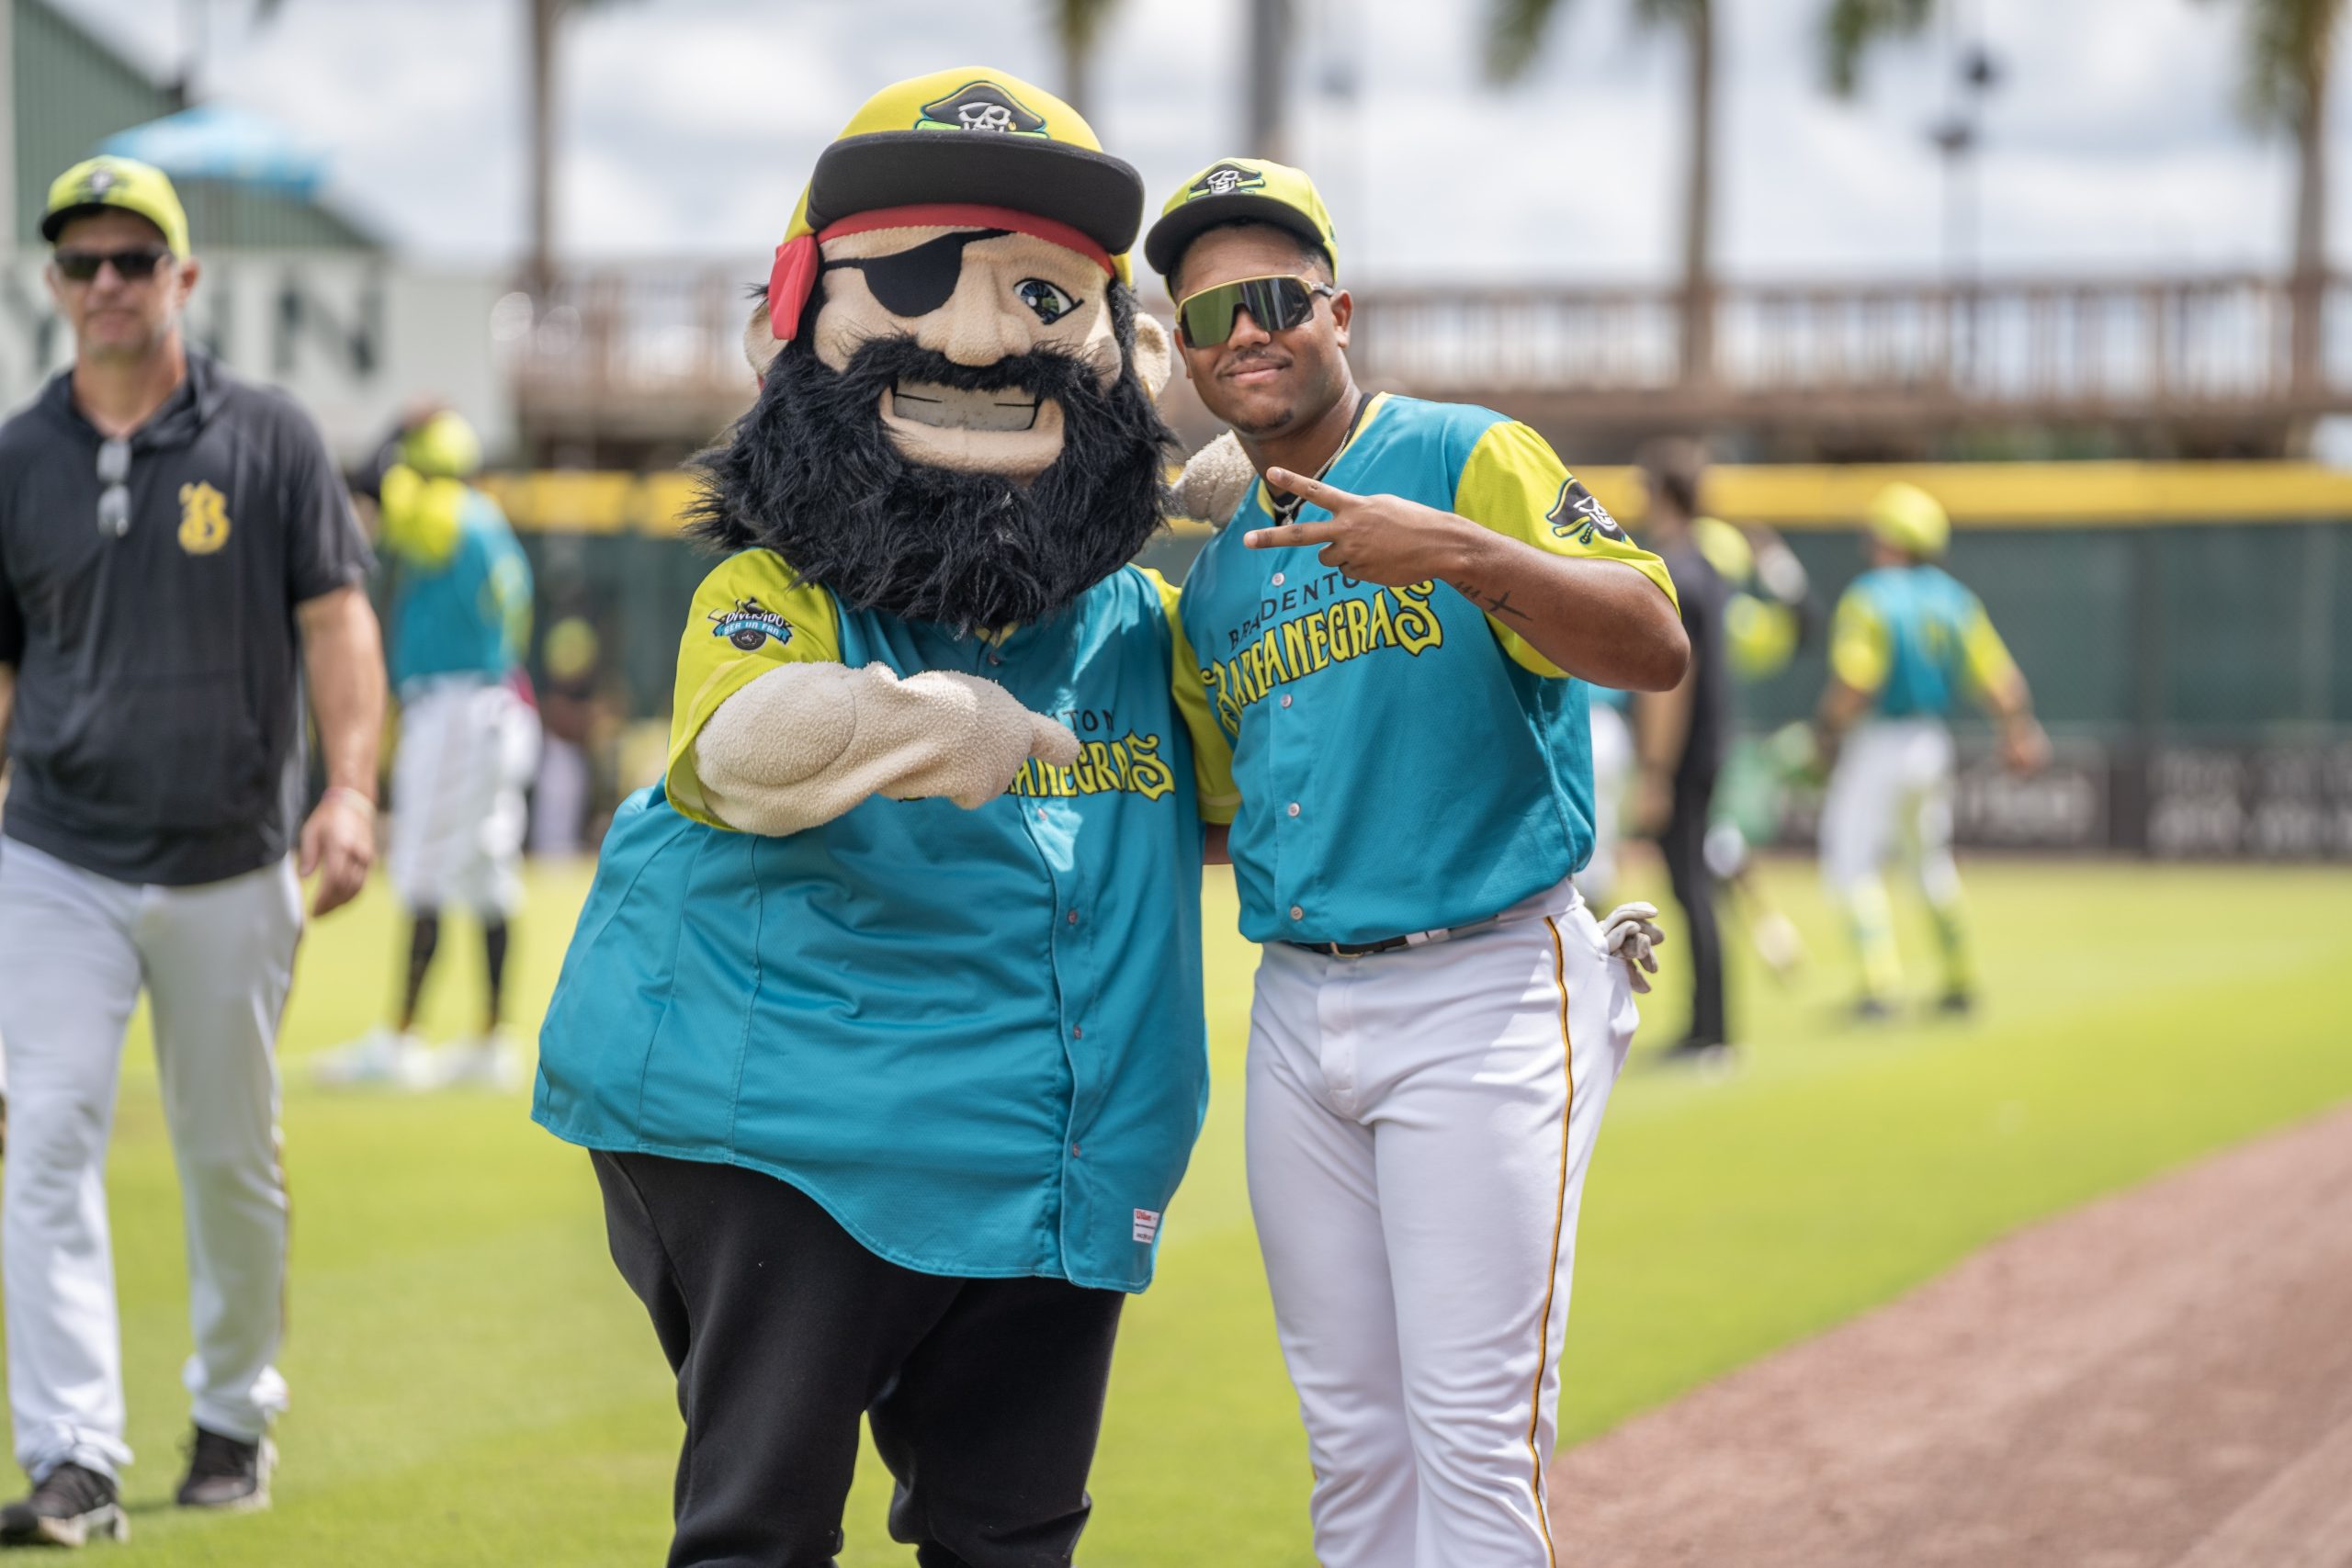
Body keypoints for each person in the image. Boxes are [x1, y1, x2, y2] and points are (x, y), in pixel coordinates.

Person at [532, 70, 1223, 1566]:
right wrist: (912, 719)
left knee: (1013, 1533)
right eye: (908, 278)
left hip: (1059, 1161)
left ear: (1134, 356)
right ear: (788, 319)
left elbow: (1292, 772)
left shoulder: (1139, 632)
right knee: (764, 1530)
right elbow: (742, 747)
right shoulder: (772, 598)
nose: (978, 336)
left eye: (1044, 294)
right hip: (789, 1138)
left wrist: (1303, 528)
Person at [1149, 157, 1685, 1568]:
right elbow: (1216, 795)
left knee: (1472, 1435)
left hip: (1486, 984)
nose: (1244, 334)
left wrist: (1453, 549)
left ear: (1337, 308)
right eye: (1207, 318)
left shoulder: (1461, 453)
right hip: (1298, 1006)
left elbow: (1651, 637)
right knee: (1355, 1442)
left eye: (1271, 299)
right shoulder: (1218, 574)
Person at [0, 156, 382, 1546]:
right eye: (82, 262)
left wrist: (349, 789)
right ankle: (73, 1457)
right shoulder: (15, 457)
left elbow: (338, 622)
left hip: (232, 856)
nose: (107, 283)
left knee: (230, 1154)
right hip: (53, 855)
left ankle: (232, 1409)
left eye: (133, 259)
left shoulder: (271, 436)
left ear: (183, 277)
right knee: (43, 1136)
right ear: (55, 284)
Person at [317, 408, 537, 1090]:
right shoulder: (487, 516)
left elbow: (367, 495)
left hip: (452, 706)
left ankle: (403, 1038)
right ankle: (491, 1038)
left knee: (422, 866)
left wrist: (389, 437)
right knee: (486, 870)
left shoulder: (441, 510)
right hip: (499, 700)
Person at [1813, 482, 2047, 1017]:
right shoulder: (1955, 600)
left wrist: (1824, 729)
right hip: (1930, 745)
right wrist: (2019, 731)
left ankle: (1879, 986)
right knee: (1931, 864)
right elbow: (2003, 684)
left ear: (1893, 539)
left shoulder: (1869, 596)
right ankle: (1960, 979)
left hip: (1879, 743)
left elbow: (1856, 681)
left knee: (1853, 862)